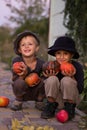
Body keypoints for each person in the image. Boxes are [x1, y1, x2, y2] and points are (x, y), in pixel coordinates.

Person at [41, 36, 84, 120]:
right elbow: (43, 87)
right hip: (56, 100)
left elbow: (80, 89)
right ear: (55, 54)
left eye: (65, 53)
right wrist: (47, 78)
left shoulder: (77, 67)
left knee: (67, 80)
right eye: (58, 53)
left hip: (71, 100)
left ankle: (69, 110)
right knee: (52, 79)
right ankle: (50, 107)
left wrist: (72, 77)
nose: (61, 56)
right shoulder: (51, 66)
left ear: (71, 55)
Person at [10, 30, 45, 111]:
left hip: (36, 91)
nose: (26, 46)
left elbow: (44, 78)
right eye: (23, 45)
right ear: (19, 49)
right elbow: (14, 79)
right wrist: (22, 76)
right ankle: (18, 101)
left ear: (36, 48)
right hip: (23, 92)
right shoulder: (17, 61)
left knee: (46, 80)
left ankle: (39, 101)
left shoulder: (41, 63)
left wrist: (47, 75)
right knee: (19, 82)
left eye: (30, 44)